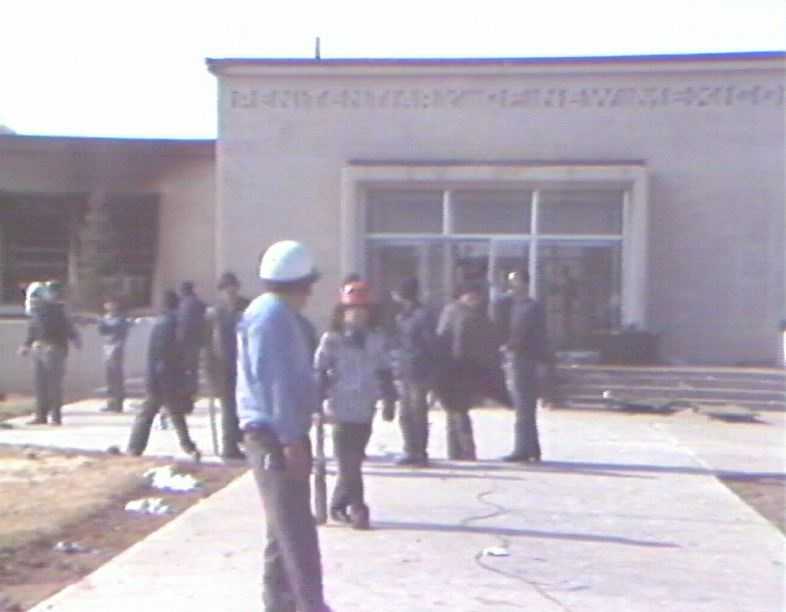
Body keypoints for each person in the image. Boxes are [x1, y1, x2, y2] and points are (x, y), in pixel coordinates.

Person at [237, 240, 332, 612]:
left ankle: (279, 604)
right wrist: (292, 438)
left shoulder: (275, 314)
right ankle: (310, 605)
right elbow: (273, 381)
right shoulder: (272, 317)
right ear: (302, 284)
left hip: (280, 431)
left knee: (282, 528)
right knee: (296, 531)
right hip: (274, 436)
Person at [315, 281, 397, 529]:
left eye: (363, 309)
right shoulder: (332, 339)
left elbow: (384, 370)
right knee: (347, 460)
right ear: (342, 311)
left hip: (365, 407)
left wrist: (389, 399)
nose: (358, 314)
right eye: (352, 309)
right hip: (340, 407)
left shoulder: (376, 338)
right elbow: (319, 370)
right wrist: (316, 402)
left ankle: (338, 504)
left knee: (354, 460)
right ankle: (358, 507)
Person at [434, 281, 509, 460]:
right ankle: (464, 449)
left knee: (456, 410)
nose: (474, 299)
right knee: (458, 410)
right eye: (471, 296)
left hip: (462, 368)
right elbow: (450, 339)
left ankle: (458, 450)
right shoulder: (459, 313)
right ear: (463, 296)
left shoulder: (466, 313)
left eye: (477, 297)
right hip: (457, 367)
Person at [127, 290, 201, 461]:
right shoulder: (171, 324)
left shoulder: (161, 323)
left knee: (155, 413)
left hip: (160, 375)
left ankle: (135, 447)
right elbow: (168, 353)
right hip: (165, 377)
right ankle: (187, 447)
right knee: (167, 413)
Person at [492, 269, 549, 462]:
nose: (511, 286)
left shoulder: (532, 308)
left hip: (526, 359)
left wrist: (543, 361)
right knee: (522, 406)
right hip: (516, 358)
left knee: (524, 406)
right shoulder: (510, 306)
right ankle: (531, 447)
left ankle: (523, 449)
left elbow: (534, 335)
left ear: (525, 283)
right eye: (510, 282)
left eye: (515, 281)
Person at [18, 281, 81, 425]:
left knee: (54, 384)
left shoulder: (58, 309)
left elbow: (68, 327)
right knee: (39, 384)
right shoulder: (36, 310)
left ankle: (56, 417)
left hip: (54, 348)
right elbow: (33, 328)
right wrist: (26, 345)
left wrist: (75, 339)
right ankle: (41, 415)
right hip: (38, 347)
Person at [391, 276, 439, 467]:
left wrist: (432, 371)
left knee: (417, 413)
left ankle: (419, 451)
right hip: (405, 370)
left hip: (419, 370)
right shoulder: (402, 316)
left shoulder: (422, 316)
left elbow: (431, 344)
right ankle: (410, 448)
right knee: (405, 414)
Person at [206, 272, 251, 459]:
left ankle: (242, 439)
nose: (230, 291)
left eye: (233, 287)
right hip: (222, 365)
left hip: (243, 363)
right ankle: (229, 446)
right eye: (226, 288)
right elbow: (208, 342)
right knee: (228, 407)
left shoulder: (246, 307)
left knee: (244, 406)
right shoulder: (215, 313)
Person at [97, 297, 135, 413]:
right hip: (107, 346)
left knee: (116, 376)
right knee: (109, 376)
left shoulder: (121, 319)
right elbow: (102, 331)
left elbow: (122, 330)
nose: (109, 306)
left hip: (116, 347)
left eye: (111, 304)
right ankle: (110, 402)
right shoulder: (105, 318)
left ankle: (118, 402)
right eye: (107, 304)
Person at [177, 281, 207, 414]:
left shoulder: (180, 305)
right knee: (192, 372)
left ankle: (184, 400)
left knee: (183, 373)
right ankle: (191, 399)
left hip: (182, 344)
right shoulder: (199, 304)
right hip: (195, 343)